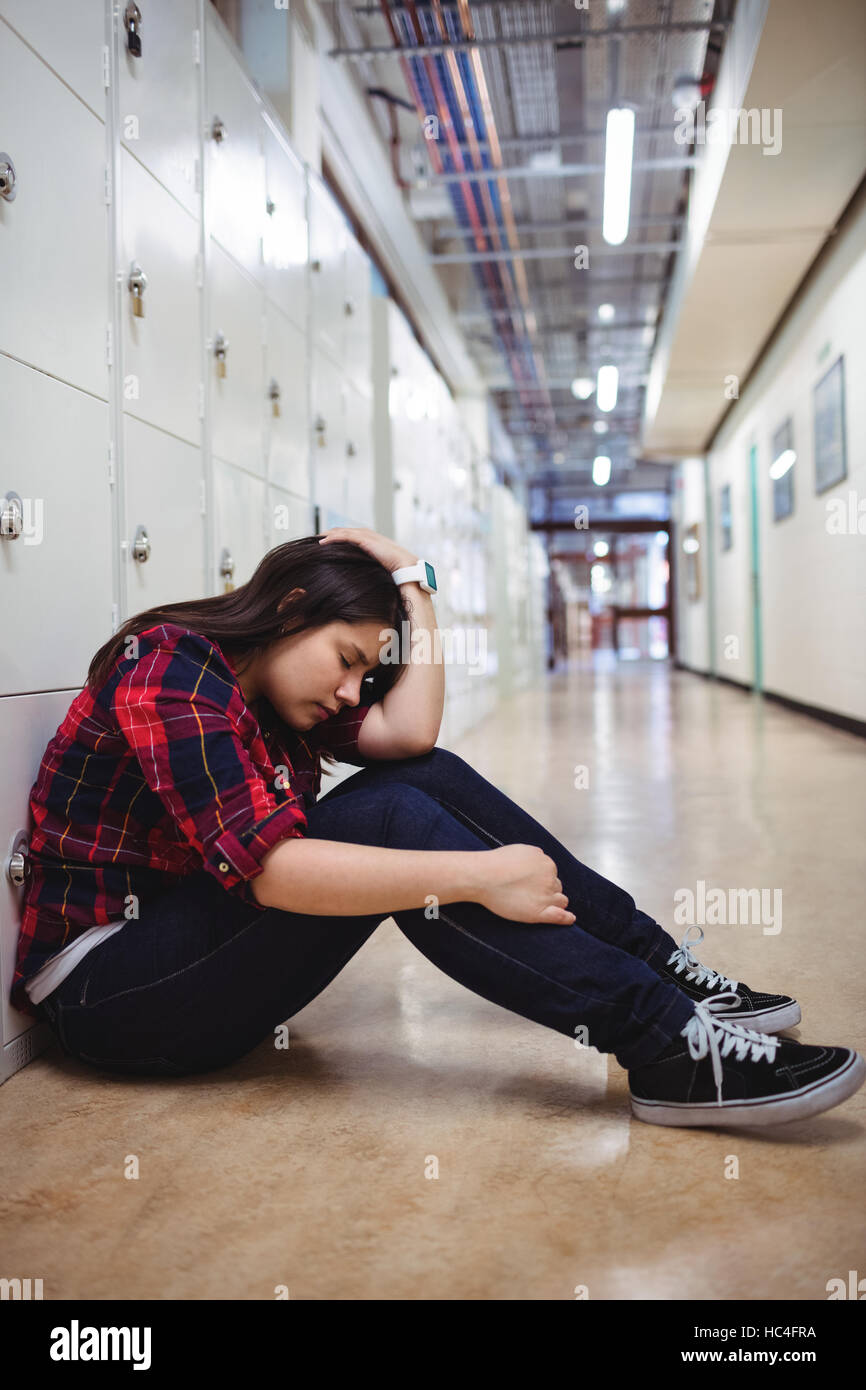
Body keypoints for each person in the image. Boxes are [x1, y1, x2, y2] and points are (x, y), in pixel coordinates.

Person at [12, 530, 864, 1129]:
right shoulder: (169, 667)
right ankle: (664, 1044)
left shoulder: (275, 700)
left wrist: (414, 584)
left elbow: (411, 738)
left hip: (184, 963)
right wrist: (475, 877)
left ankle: (668, 977)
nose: (353, 693)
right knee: (392, 815)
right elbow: (272, 876)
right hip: (107, 994)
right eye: (348, 660)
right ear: (290, 608)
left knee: (418, 778)